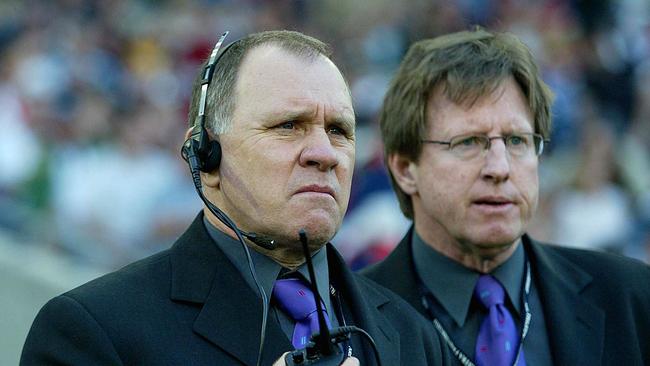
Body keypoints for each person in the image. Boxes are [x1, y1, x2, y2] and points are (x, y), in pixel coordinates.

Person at [21, 30, 450, 365]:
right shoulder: (92, 330)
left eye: (338, 130)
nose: (324, 153)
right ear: (204, 156)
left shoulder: (414, 334)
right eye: (288, 125)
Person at [363, 28, 650, 366]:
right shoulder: (350, 319)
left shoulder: (630, 296)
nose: (499, 168)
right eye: (468, 141)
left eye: (516, 141)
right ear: (405, 168)